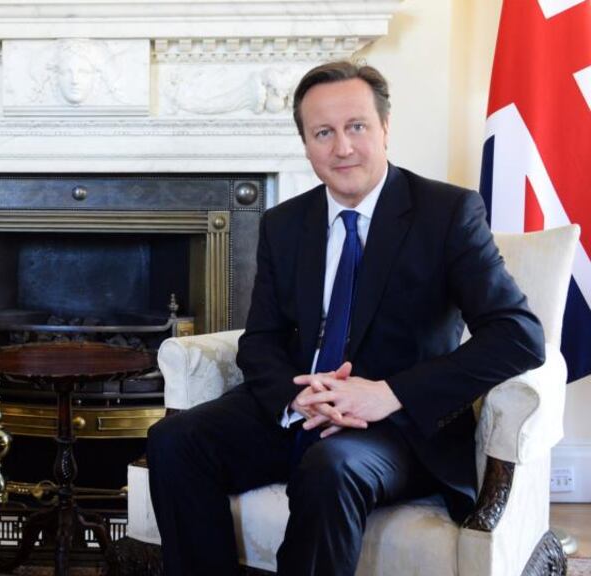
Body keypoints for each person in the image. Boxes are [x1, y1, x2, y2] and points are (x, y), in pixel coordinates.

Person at [146, 61, 546, 575]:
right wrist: (295, 397)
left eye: (356, 126)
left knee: (329, 468)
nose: (343, 147)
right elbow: (261, 339)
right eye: (323, 133)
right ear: (306, 144)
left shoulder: (447, 214)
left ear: (384, 128)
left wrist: (388, 393)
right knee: (174, 440)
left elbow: (518, 336)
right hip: (302, 407)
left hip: (396, 427)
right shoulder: (284, 224)